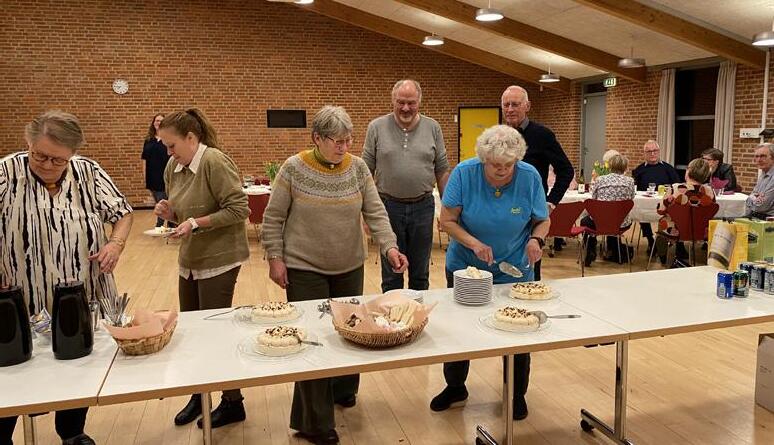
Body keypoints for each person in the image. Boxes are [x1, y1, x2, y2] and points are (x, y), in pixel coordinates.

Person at [262, 106, 408, 445]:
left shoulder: (357, 168)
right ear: (317, 138)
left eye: (348, 140)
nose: (344, 147)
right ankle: (313, 422)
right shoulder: (293, 168)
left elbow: (375, 212)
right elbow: (273, 217)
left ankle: (343, 389)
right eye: (337, 141)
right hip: (304, 266)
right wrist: (275, 257)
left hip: (349, 265)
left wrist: (390, 247)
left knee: (351, 330)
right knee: (313, 339)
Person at [0, 110, 134, 445]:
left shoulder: (88, 172)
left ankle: (72, 432)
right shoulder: (6, 172)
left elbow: (122, 213)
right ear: (28, 144)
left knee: (78, 361)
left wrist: (115, 244)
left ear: (72, 153)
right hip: (19, 295)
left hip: (80, 291)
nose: (47, 165)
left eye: (58, 160)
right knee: (11, 366)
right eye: (39, 155)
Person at [430, 125, 549, 421]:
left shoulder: (529, 176)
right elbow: (447, 220)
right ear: (483, 159)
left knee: (518, 330)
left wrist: (536, 240)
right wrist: (474, 243)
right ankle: (455, 387)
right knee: (460, 329)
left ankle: (516, 393)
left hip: (515, 268)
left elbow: (542, 220)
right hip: (466, 267)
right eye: (495, 165)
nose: (502, 170)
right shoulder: (464, 173)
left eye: (509, 165)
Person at [153, 108, 250, 430]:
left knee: (215, 334)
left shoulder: (215, 162)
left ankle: (233, 401)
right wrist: (169, 212)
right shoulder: (173, 166)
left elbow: (239, 209)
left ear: (191, 138)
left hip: (219, 259)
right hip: (190, 259)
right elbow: (181, 212)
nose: (169, 152)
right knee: (193, 333)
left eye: (172, 145)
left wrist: (195, 223)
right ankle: (199, 394)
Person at [363, 79, 449, 293]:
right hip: (387, 208)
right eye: (401, 102)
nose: (405, 108)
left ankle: (418, 312)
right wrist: (365, 213)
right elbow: (365, 171)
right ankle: (393, 312)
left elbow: (441, 169)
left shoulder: (433, 127)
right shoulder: (376, 127)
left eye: (411, 103)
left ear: (419, 102)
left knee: (420, 274)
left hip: (423, 208)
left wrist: (447, 210)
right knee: (391, 274)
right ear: (392, 101)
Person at [501, 85, 572, 280]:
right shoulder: (498, 135)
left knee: (529, 265)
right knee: (500, 263)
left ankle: (531, 294)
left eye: (515, 104)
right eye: (506, 105)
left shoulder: (542, 135)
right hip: (500, 207)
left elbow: (566, 170)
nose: (510, 109)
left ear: (527, 106)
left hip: (530, 212)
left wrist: (551, 201)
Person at [654, 158, 715, 265]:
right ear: (706, 175)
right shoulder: (710, 191)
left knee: (662, 222)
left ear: (688, 171)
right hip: (700, 230)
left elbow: (661, 210)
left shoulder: (675, 188)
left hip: (675, 229)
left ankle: (662, 257)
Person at [580, 154, 635, 266]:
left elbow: (594, 199)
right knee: (616, 219)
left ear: (609, 166)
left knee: (585, 221)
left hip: (600, 222)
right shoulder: (630, 181)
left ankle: (590, 249)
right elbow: (631, 198)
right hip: (620, 223)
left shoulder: (600, 179)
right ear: (625, 167)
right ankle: (612, 250)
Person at [632, 140, 680, 252]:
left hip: (665, 207)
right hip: (645, 205)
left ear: (659, 151)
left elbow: (677, 186)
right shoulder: (639, 170)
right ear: (644, 153)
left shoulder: (668, 168)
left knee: (677, 213)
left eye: (655, 151)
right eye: (649, 151)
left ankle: (670, 241)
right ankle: (650, 240)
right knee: (640, 212)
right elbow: (634, 189)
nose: (652, 153)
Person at [141, 113, 173, 228]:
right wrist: (145, 175)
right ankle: (171, 223)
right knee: (159, 200)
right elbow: (144, 159)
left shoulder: (169, 138)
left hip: (164, 175)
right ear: (153, 123)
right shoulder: (148, 140)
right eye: (156, 120)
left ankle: (160, 225)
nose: (158, 123)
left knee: (162, 201)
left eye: (161, 121)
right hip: (152, 176)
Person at [745, 143, 774, 219]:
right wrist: (754, 199)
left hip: (768, 219)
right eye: (756, 156)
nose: (759, 160)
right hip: (757, 216)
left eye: (763, 156)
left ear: (773, 158)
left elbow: (761, 206)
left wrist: (752, 199)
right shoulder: (764, 173)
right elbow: (750, 198)